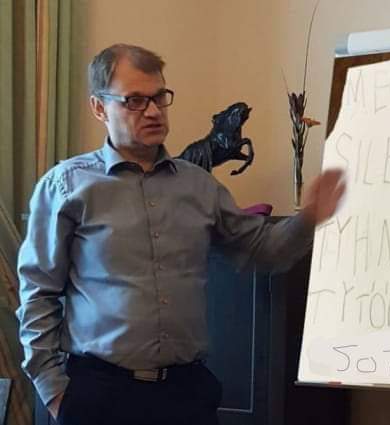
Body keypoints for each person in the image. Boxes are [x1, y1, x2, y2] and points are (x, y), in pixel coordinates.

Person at [16, 44, 345, 425]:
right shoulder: (66, 186)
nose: (153, 111)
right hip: (99, 395)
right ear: (99, 107)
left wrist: (308, 218)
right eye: (135, 100)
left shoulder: (199, 185)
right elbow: (37, 292)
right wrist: (53, 391)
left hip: (186, 394)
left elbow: (262, 251)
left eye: (159, 97)